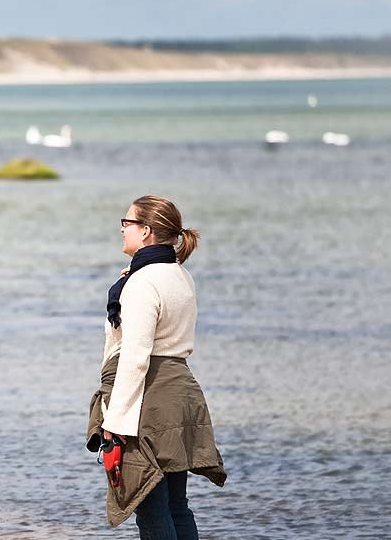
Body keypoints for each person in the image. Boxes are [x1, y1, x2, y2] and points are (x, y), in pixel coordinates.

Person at [87, 195, 226, 539]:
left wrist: (115, 421)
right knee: (176, 504)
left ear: (146, 231)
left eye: (127, 222)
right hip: (179, 393)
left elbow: (135, 356)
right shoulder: (180, 276)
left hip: (147, 399)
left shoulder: (142, 282)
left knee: (149, 506)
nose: (122, 228)